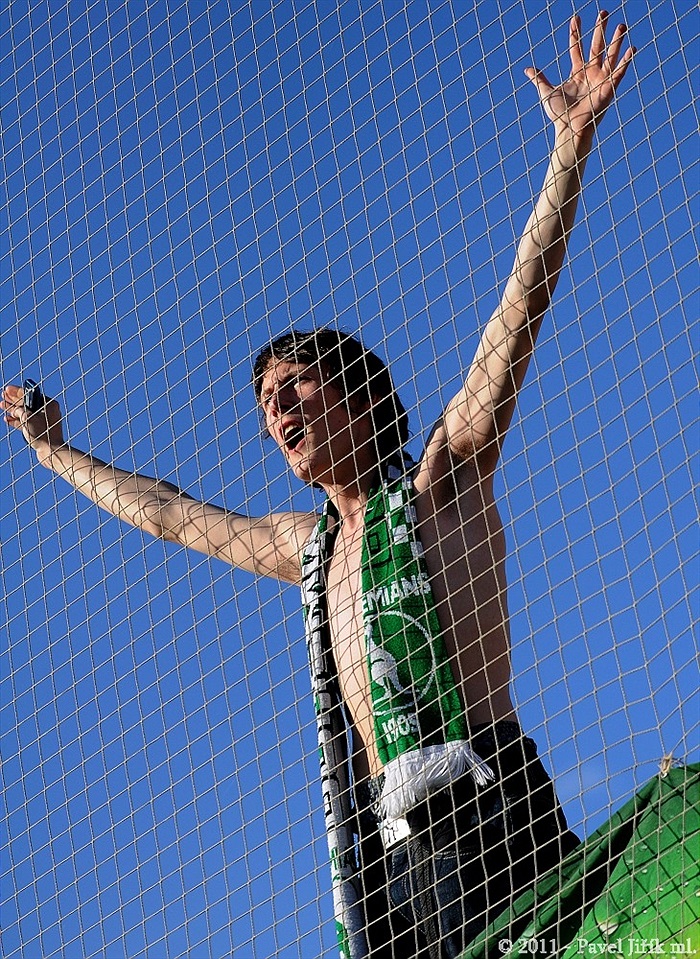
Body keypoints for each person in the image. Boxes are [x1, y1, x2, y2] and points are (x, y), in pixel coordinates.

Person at [3, 13, 633, 959]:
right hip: (394, 856)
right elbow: (174, 517)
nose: (276, 408)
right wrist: (55, 454)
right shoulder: (312, 549)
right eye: (265, 399)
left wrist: (569, 150)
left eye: (296, 383)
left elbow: (518, 313)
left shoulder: (443, 479)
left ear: (359, 394)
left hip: (492, 798)